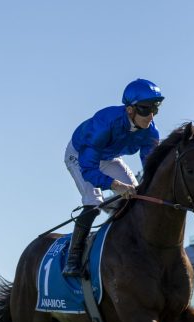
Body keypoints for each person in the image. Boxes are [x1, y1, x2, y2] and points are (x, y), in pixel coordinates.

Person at [62, 78, 163, 276]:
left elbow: (151, 167)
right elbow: (88, 169)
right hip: (81, 156)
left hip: (108, 157)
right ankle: (72, 259)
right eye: (145, 109)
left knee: (136, 197)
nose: (150, 116)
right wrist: (116, 185)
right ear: (130, 110)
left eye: (155, 109)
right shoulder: (105, 123)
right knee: (93, 202)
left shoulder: (151, 132)